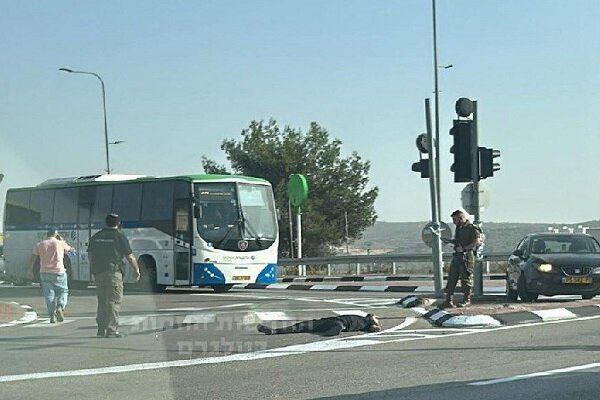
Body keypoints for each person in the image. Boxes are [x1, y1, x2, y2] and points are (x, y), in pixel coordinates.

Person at [88, 214, 140, 338]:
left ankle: (101, 329)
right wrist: (136, 270)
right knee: (113, 301)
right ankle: (111, 330)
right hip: (113, 272)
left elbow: (90, 255)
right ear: (118, 223)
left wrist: (95, 268)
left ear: (105, 223)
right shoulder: (120, 236)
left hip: (99, 272)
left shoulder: (96, 236)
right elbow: (130, 256)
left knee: (102, 300)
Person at [28, 229, 76, 323]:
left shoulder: (40, 244)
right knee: (63, 291)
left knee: (49, 295)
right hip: (59, 271)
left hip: (44, 272)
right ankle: (60, 306)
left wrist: (30, 270)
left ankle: (52, 315)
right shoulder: (60, 243)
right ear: (56, 234)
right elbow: (72, 252)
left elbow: (33, 257)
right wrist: (62, 240)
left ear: (47, 235)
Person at [441, 210, 481, 308]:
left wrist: (464, 248)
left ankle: (466, 300)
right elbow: (458, 240)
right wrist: (450, 241)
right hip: (457, 255)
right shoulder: (459, 228)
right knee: (452, 277)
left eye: (455, 219)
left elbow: (477, 242)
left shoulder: (472, 228)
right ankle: (448, 300)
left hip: (466, 256)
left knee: (465, 278)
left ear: (461, 218)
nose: (454, 222)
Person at [256, 314, 382, 336]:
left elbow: (376, 328)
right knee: (302, 325)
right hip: (329, 320)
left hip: (340, 324)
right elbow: (372, 315)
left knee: (337, 326)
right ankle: (274, 331)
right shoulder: (365, 318)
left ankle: (333, 331)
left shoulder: (367, 325)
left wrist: (375, 323)